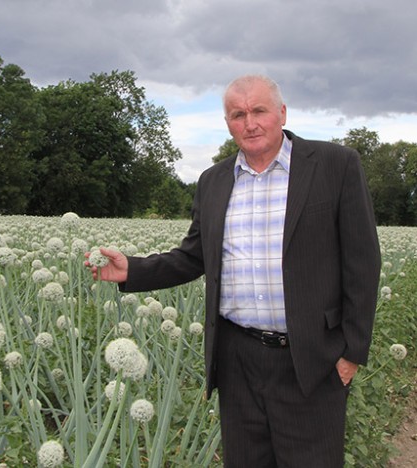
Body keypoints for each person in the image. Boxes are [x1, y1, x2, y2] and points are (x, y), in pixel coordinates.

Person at [86, 74, 381, 467]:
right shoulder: (213, 180)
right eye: (238, 114)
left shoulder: (335, 165)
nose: (250, 122)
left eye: (259, 111)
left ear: (281, 113)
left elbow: (363, 261)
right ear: (228, 122)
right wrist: (133, 271)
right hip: (238, 359)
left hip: (310, 359)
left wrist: (351, 352)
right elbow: (194, 256)